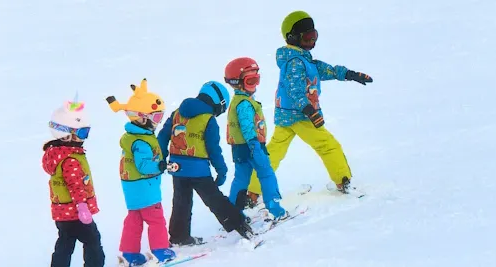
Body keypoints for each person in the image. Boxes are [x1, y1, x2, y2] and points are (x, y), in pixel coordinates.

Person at [245, 10, 374, 205]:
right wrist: (309, 111)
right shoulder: (296, 62)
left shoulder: (301, 58)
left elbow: (325, 69)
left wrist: (350, 74)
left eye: (314, 36)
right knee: (327, 145)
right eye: (307, 37)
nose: (312, 41)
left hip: (285, 115)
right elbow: (295, 90)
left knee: (273, 152)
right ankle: (343, 181)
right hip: (301, 116)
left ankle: (253, 192)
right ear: (292, 37)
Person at [156, 80, 256, 245]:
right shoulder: (209, 120)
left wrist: (161, 157)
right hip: (198, 170)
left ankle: (179, 236)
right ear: (218, 103)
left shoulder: (177, 113)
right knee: (214, 199)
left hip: (177, 168)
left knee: (181, 202)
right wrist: (221, 170)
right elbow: (213, 149)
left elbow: (163, 136)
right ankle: (239, 224)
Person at [106, 78, 177, 266]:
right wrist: (161, 166)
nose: (158, 122)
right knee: (156, 219)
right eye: (155, 117)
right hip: (145, 186)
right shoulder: (141, 141)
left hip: (131, 187)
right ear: (140, 117)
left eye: (160, 117)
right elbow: (144, 166)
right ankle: (161, 251)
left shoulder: (132, 137)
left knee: (134, 219)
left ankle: (130, 253)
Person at [222, 57, 288, 219]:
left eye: (257, 80)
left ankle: (233, 212)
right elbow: (247, 126)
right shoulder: (244, 104)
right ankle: (275, 208)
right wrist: (254, 145)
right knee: (266, 174)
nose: (255, 85)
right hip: (252, 146)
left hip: (239, 148)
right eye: (251, 81)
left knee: (241, 179)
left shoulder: (238, 101)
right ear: (237, 82)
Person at [44, 96, 105, 267]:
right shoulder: (71, 159)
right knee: (93, 240)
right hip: (76, 212)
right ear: (65, 135)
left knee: (65, 241)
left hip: (61, 212)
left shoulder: (56, 154)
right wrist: (82, 207)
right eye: (81, 133)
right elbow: (75, 185)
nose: (84, 137)